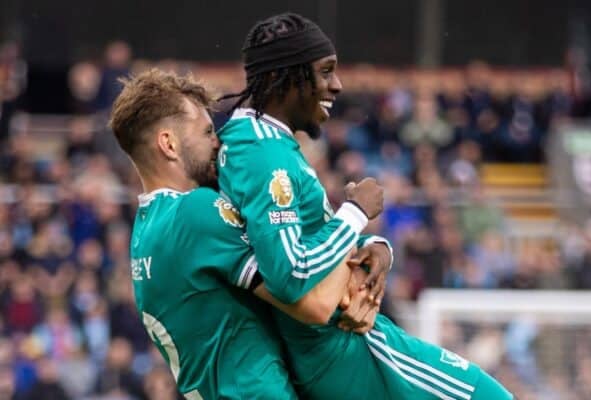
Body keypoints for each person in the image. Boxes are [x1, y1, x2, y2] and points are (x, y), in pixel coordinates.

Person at [217, 12, 515, 399]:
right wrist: (356, 212)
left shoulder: (251, 142)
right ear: (279, 78)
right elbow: (290, 274)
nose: (337, 86)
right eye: (325, 72)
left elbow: (302, 243)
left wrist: (377, 249)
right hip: (346, 346)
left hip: (334, 348)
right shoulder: (264, 155)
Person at [109, 69, 386, 399]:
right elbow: (312, 301)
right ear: (168, 144)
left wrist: (371, 246)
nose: (218, 142)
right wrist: (355, 215)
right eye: (207, 132)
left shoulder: (147, 228)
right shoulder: (195, 211)